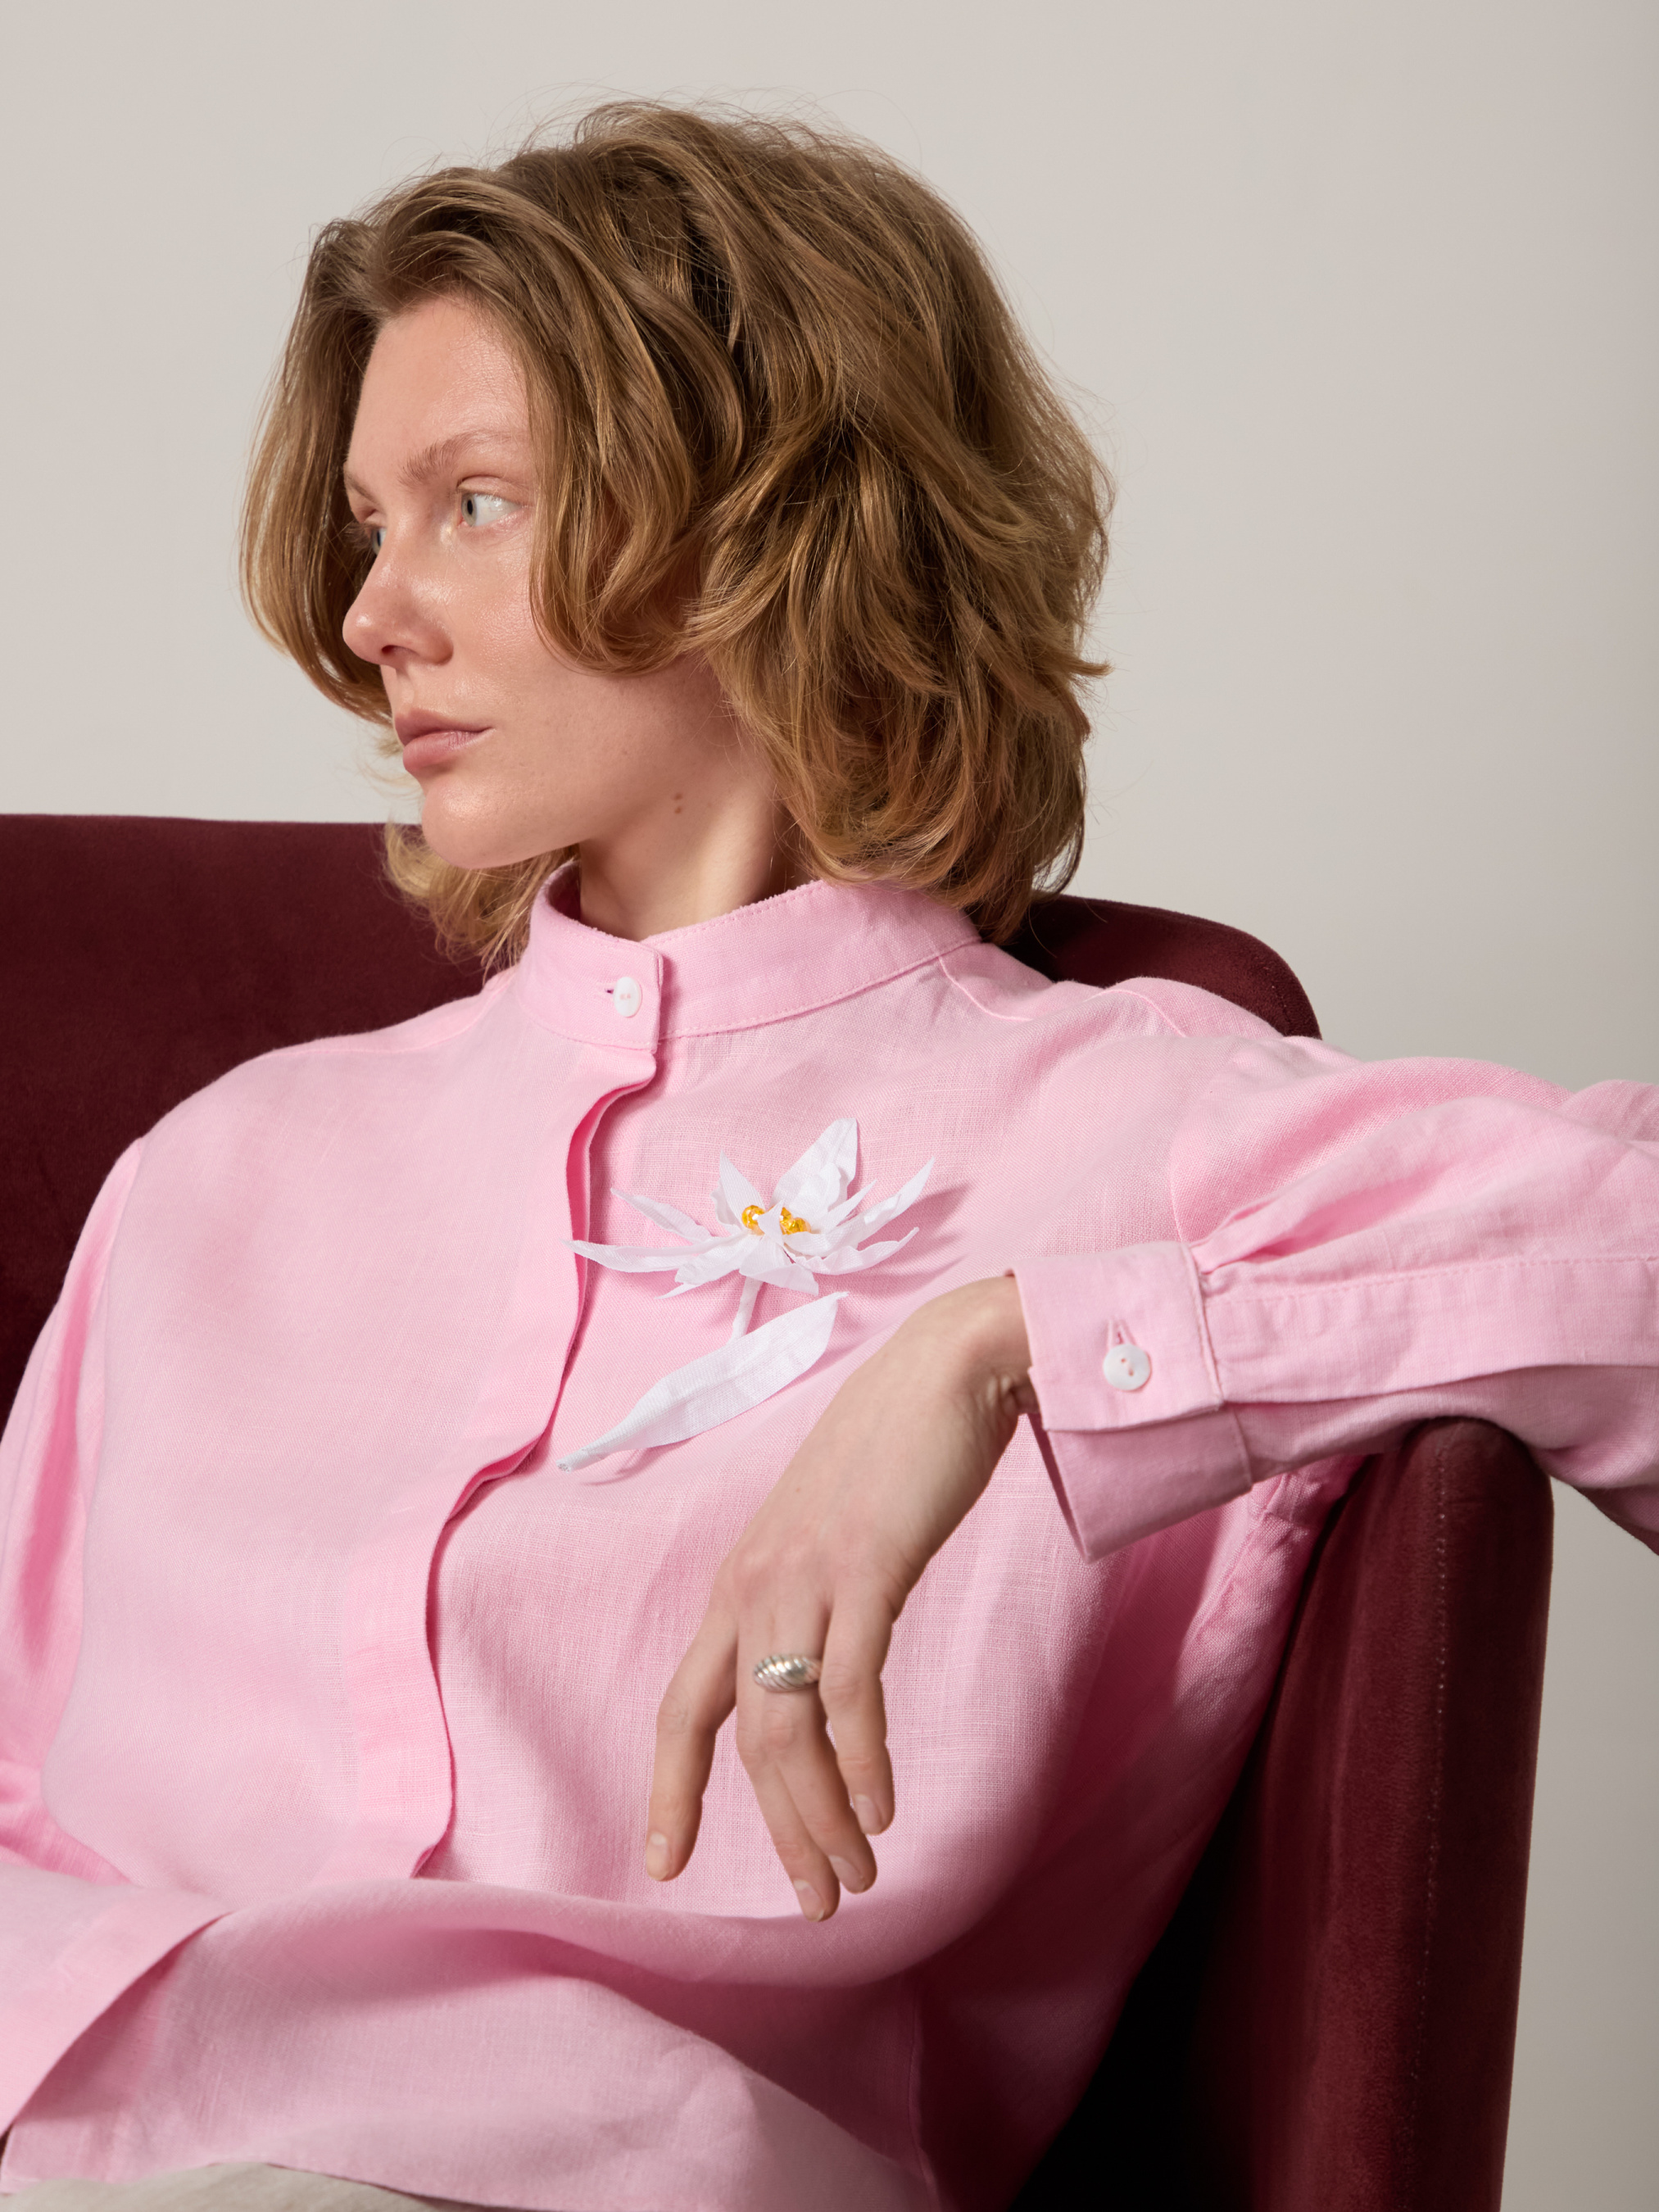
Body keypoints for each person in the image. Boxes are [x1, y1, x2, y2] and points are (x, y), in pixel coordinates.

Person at [0, 100, 1654, 2212]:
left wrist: (1007, 1348)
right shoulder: (219, 1174)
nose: (373, 613)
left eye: (474, 504)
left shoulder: (1140, 1124)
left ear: (771, 527)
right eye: (368, 523)